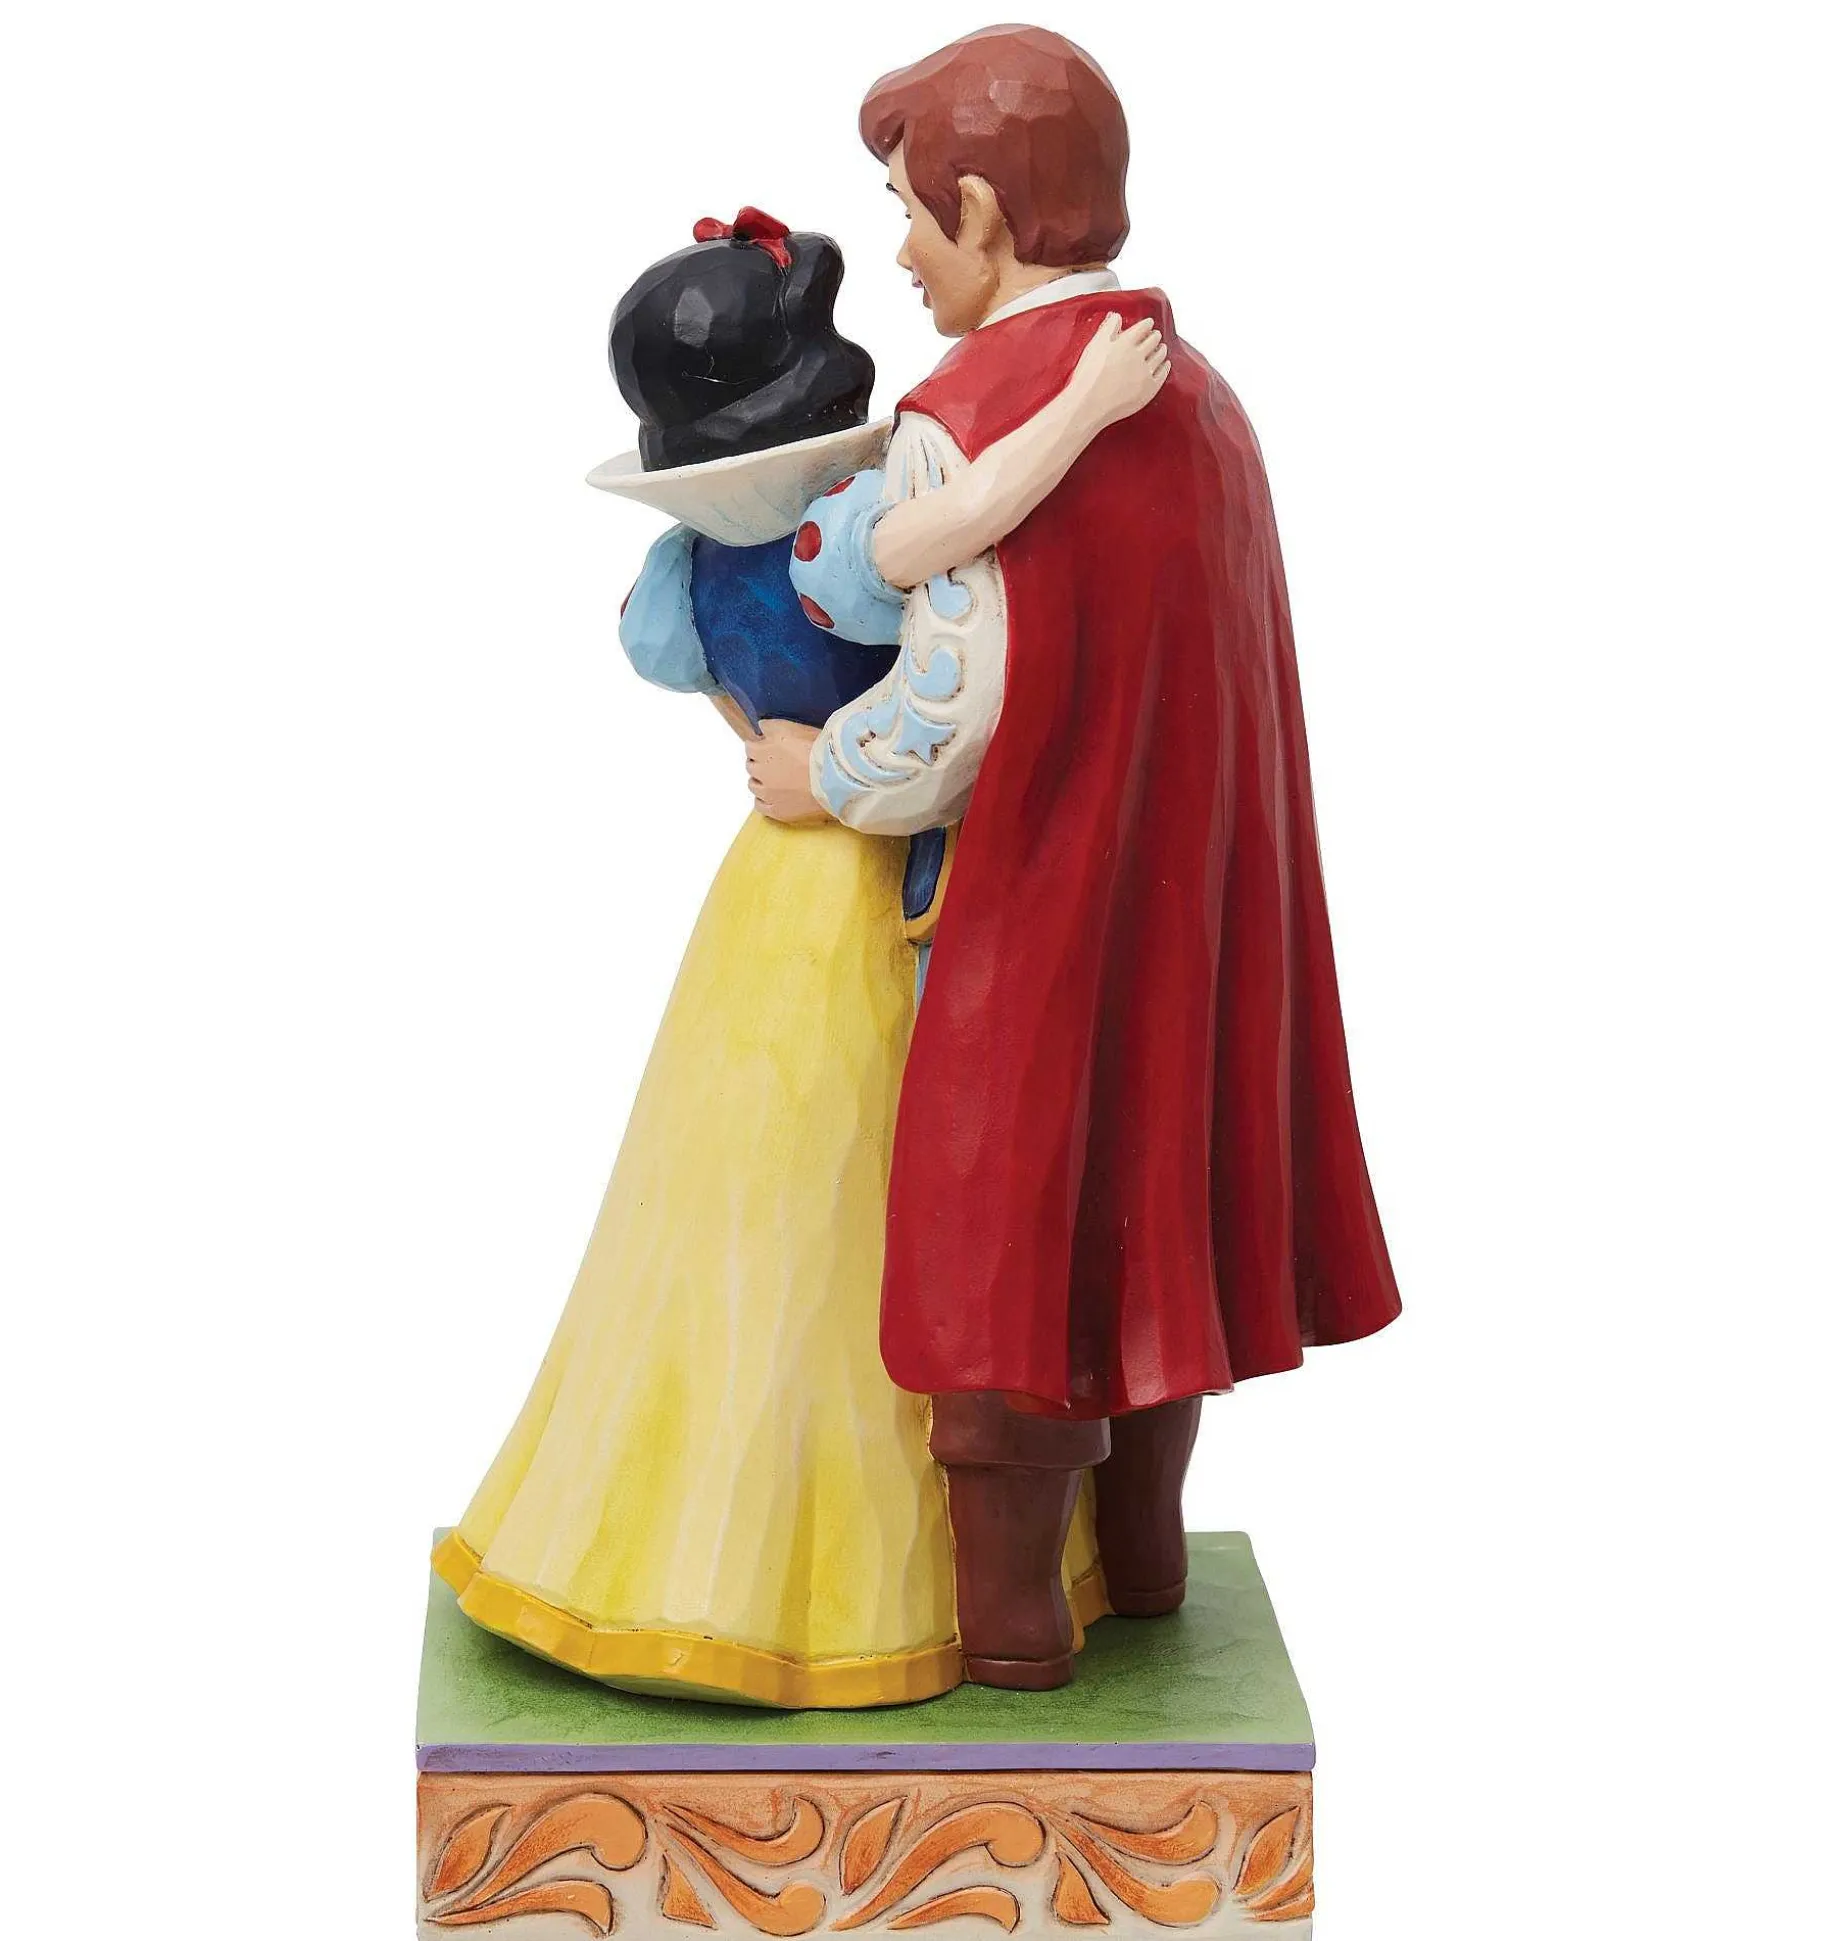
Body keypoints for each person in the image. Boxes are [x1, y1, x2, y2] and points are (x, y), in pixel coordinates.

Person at [432, 208, 1167, 1706]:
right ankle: (858, 1579)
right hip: (867, 870)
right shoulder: (847, 536)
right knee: (852, 1185)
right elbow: (946, 543)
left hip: (771, 884)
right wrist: (1086, 409)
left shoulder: (682, 577)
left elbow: (730, 705)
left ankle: (699, 1540)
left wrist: (782, 758)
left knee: (753, 1185)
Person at [744, 26, 1405, 1691]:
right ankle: (1145, 1552)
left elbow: (951, 710)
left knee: (1009, 1232)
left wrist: (824, 772)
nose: (904, 255)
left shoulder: (964, 417)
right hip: (1194, 899)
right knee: (1151, 1212)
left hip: (1036, 893)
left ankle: (1014, 1628)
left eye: (912, 217)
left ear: (980, 208)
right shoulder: (1206, 397)